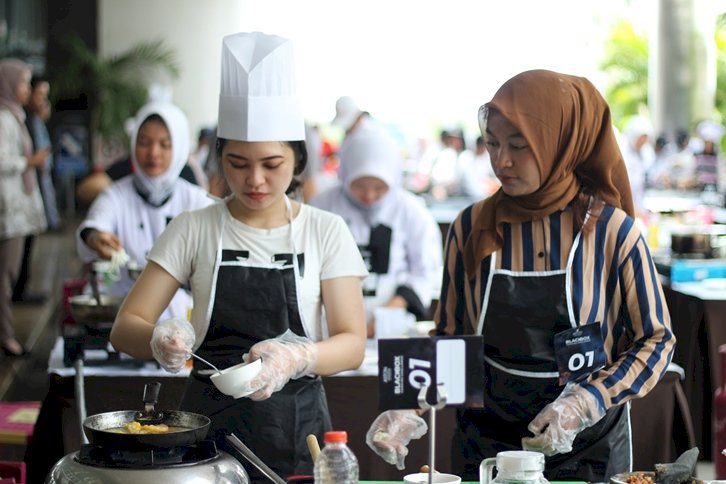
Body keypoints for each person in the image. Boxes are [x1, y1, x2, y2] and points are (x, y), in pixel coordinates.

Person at [365, 69, 675, 482]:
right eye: (492, 143)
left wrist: (585, 402)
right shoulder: (471, 227)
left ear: (560, 145)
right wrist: (407, 401)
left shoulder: (611, 233)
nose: (501, 161)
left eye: (519, 146)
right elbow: (451, 333)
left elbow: (655, 340)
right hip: (489, 444)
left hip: (587, 448)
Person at [109, 31, 368, 481]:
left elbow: (352, 343)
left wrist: (298, 358)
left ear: (298, 160)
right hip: (206, 434)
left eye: (272, 165)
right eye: (237, 163)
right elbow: (125, 327)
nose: (255, 181)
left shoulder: (325, 230)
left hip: (298, 431)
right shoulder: (193, 227)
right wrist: (159, 339)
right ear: (219, 159)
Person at [76, 99, 212, 321]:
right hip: (120, 305)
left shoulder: (196, 199)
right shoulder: (116, 194)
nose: (153, 152)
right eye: (144, 142)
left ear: (178, 148)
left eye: (164, 144)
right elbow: (93, 225)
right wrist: (96, 238)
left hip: (178, 313)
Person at [310, 126, 442, 338]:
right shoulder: (322, 206)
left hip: (392, 326)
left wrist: (390, 311)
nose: (369, 196)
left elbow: (425, 271)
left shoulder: (412, 212)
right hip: (330, 325)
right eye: (360, 186)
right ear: (346, 175)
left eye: (380, 187)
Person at [0, 58, 49, 355]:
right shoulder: (4, 118)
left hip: (16, 210)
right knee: (5, 276)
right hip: (8, 212)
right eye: (22, 82)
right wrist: (28, 163)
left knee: (9, 274)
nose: (26, 89)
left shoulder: (14, 114)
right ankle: (6, 338)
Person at [12, 76, 59, 305]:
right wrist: (33, 161)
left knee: (29, 242)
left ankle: (22, 287)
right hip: (24, 187)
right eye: (39, 94)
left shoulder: (30, 118)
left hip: (35, 182)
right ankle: (19, 289)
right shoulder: (17, 119)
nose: (42, 100)